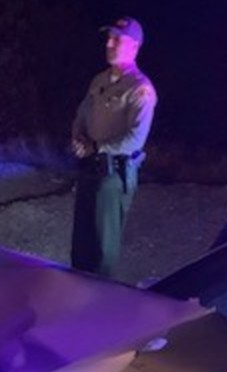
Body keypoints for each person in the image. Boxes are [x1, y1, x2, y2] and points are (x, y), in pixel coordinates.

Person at [70, 16, 157, 279]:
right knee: (81, 243)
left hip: (113, 174)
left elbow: (135, 139)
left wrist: (96, 147)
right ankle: (76, 296)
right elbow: (82, 113)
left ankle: (100, 305)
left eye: (117, 39)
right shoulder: (99, 81)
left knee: (102, 250)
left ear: (134, 47)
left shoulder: (141, 89)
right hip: (89, 169)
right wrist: (78, 138)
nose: (109, 43)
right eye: (108, 38)